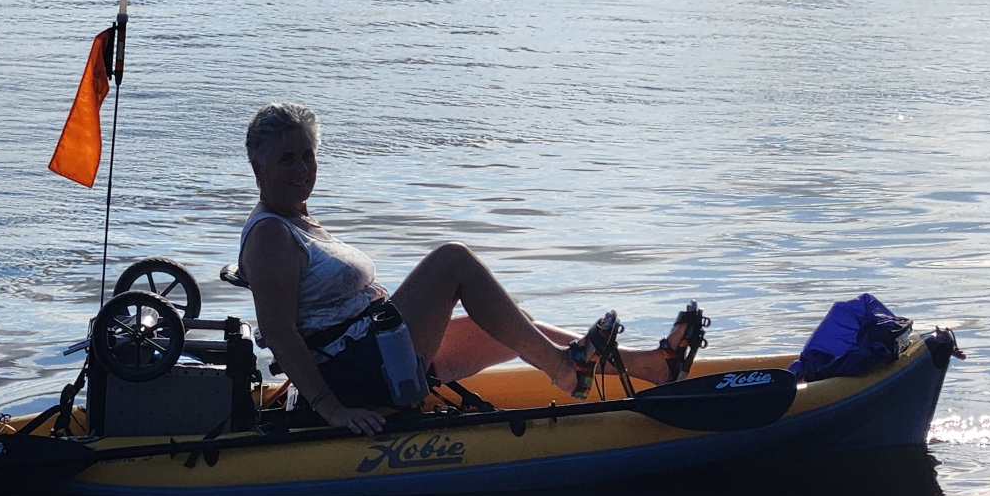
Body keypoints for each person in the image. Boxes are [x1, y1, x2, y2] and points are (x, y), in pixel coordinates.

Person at [239, 101, 696, 436]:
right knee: (452, 260)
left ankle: (652, 367)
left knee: (515, 327)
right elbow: (278, 332)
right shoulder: (271, 236)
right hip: (357, 373)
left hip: (378, 351)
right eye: (286, 159)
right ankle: (564, 370)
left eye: (307, 155)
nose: (301, 168)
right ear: (258, 168)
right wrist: (334, 411)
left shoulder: (298, 220)